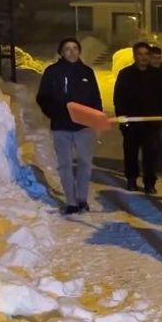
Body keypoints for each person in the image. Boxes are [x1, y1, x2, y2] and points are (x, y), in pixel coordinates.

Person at [35, 37, 102, 215]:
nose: (72, 52)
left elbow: (96, 98)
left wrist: (96, 119)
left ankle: (82, 199)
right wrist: (55, 113)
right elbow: (42, 97)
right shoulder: (52, 72)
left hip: (83, 127)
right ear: (61, 52)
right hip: (61, 127)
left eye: (75, 48)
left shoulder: (87, 72)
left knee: (85, 163)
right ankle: (71, 202)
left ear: (79, 51)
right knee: (65, 165)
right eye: (67, 49)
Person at [113, 41, 162, 194]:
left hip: (152, 123)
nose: (143, 57)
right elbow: (119, 97)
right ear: (134, 56)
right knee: (130, 153)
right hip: (131, 122)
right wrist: (121, 116)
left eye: (146, 54)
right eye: (140, 54)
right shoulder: (125, 74)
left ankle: (149, 182)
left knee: (150, 154)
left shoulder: (157, 75)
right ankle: (131, 179)